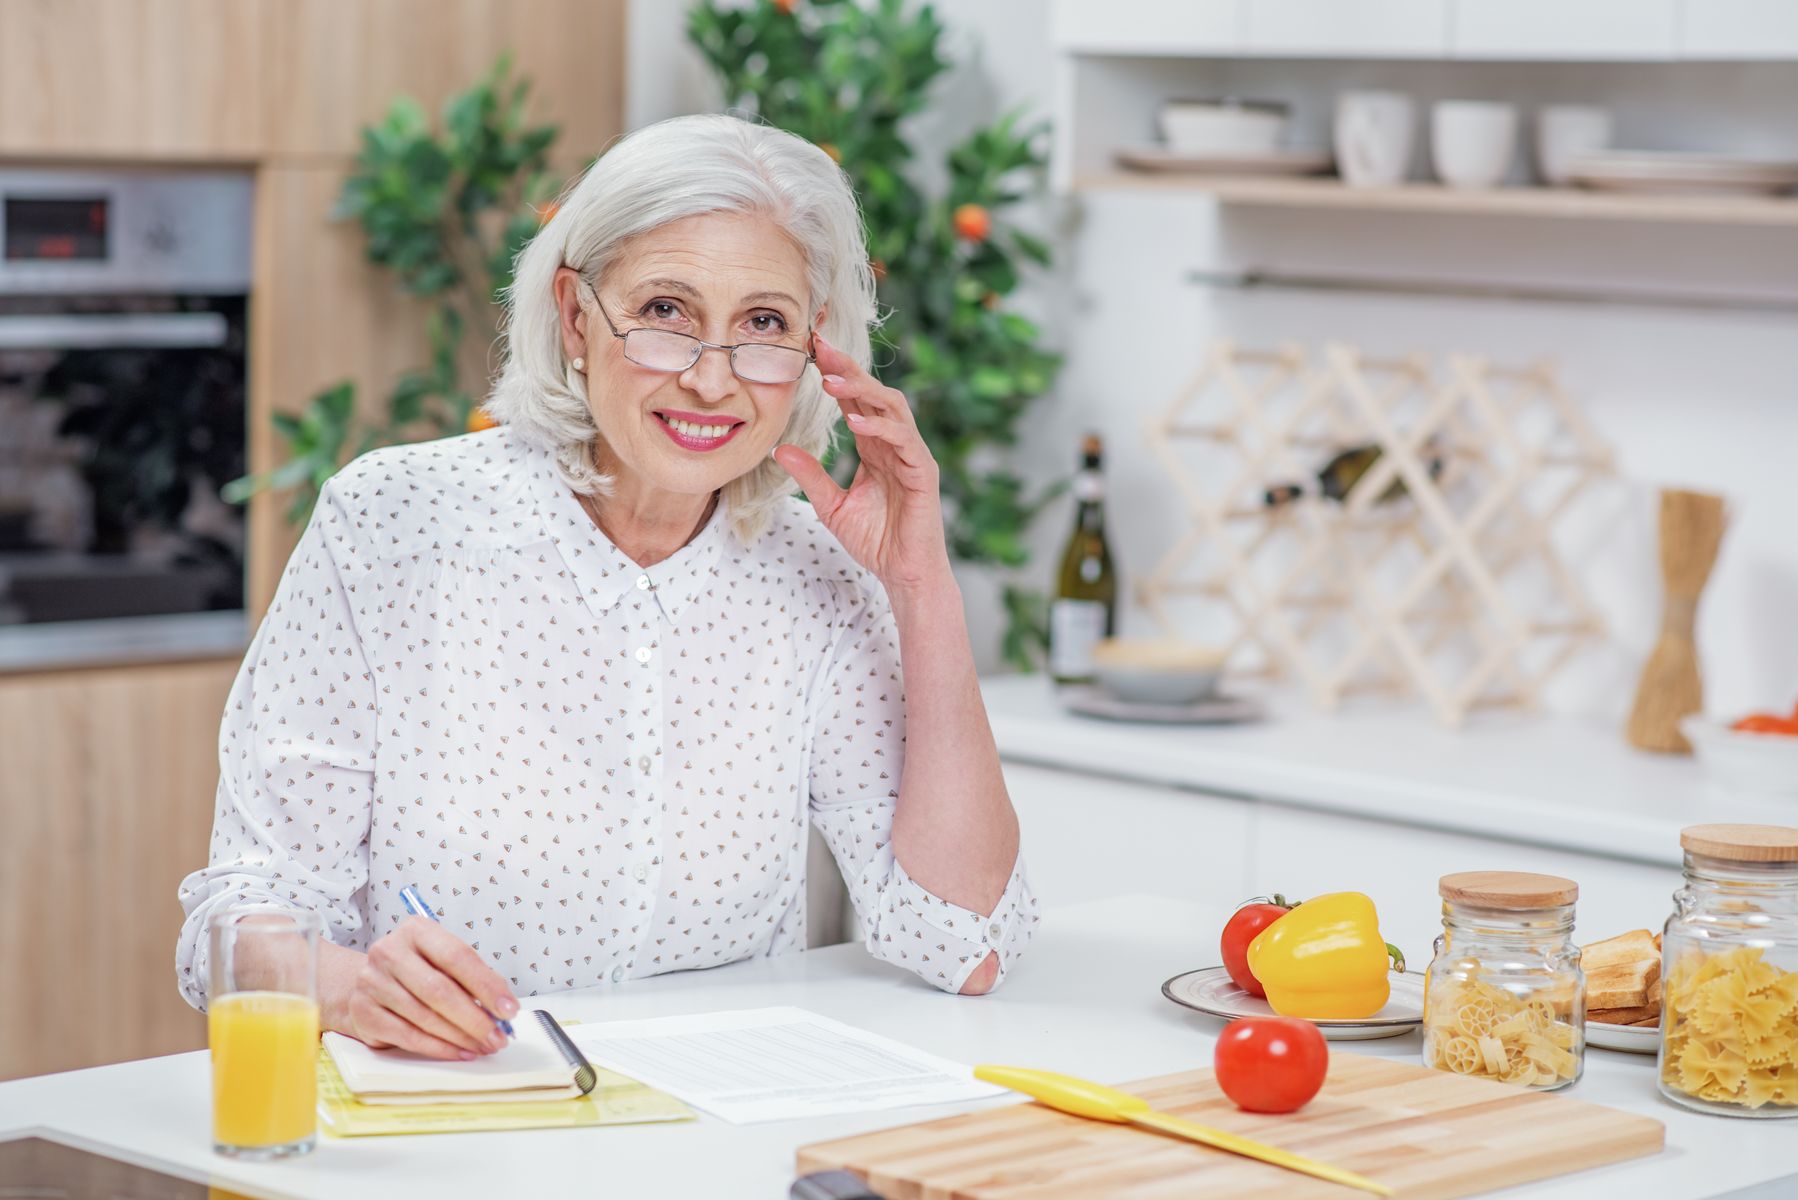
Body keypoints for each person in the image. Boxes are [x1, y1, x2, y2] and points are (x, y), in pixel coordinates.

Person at [176, 113, 1036, 1060]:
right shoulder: (393, 522)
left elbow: (966, 945)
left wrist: (921, 583)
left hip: (715, 1135)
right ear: (578, 316)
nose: (714, 381)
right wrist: (343, 985)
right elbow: (233, 925)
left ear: (811, 349)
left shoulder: (821, 570)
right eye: (666, 312)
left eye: (763, 324)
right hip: (455, 1124)